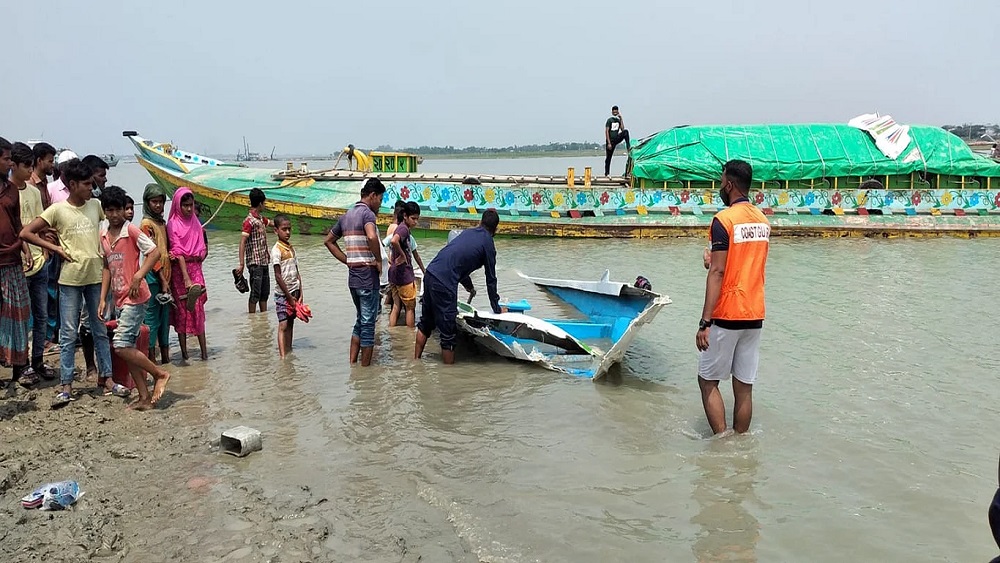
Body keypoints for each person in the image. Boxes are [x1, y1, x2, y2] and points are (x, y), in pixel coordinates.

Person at [21, 158, 117, 406]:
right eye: (86, 184)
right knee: (67, 333)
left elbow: (114, 222)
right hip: (70, 280)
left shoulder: (96, 205)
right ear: (73, 184)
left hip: (96, 277)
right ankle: (66, 385)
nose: (91, 188)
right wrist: (54, 248)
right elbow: (26, 232)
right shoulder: (57, 210)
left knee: (100, 330)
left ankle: (106, 378)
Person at [695, 159, 770, 435]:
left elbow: (718, 271)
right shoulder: (763, 221)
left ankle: (723, 442)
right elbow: (745, 261)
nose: (720, 185)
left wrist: (704, 323)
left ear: (730, 184)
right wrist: (713, 260)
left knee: (707, 382)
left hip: (727, 314)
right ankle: (741, 445)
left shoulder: (723, 220)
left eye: (721, 179)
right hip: (754, 314)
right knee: (744, 387)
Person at [97, 186, 170, 410]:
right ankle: (145, 399)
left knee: (120, 346)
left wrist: (139, 275)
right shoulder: (103, 233)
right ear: (105, 211)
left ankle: (159, 373)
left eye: (117, 209)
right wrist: (102, 299)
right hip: (118, 297)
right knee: (128, 349)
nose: (114, 215)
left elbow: (154, 252)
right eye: (109, 210)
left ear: (124, 210)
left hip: (136, 297)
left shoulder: (132, 231)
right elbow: (107, 267)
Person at [414, 209, 503, 365]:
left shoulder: (468, 233)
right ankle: (449, 377)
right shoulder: (488, 243)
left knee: (426, 323)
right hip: (444, 282)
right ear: (495, 229)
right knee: (448, 333)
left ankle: (415, 362)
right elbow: (491, 279)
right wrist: (497, 308)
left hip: (430, 273)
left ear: (480, 222)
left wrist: (469, 287)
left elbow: (457, 263)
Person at [325, 178, 385, 366]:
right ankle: (365, 371)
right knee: (368, 325)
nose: (380, 205)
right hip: (367, 277)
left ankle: (353, 365)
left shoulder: (346, 216)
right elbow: (371, 235)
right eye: (380, 200)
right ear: (372, 195)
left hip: (353, 278)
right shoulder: (367, 215)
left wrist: (348, 260)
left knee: (361, 320)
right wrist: (376, 259)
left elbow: (329, 241)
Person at [11, 143, 52, 385]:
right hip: (16, 263)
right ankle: (20, 364)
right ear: (14, 166)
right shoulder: (7, 192)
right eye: (25, 166)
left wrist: (45, 250)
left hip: (39, 260)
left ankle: (37, 360)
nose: (29, 171)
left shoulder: (34, 193)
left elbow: (41, 223)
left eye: (30, 165)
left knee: (42, 315)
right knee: (20, 318)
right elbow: (16, 229)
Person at [0, 138, 32, 391]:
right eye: (6, 159)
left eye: (11, 159)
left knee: (18, 315)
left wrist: (25, 247)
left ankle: (19, 368)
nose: (10, 163)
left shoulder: (11, 190)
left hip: (11, 260)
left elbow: (18, 223)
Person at [167, 188, 209, 361]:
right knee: (182, 312)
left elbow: (202, 249)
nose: (189, 209)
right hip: (179, 271)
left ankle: (204, 353)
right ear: (178, 205)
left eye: (191, 205)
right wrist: (185, 277)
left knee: (198, 308)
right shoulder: (172, 224)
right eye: (185, 206)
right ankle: (184, 353)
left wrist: (200, 254)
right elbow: (177, 251)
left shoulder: (196, 223)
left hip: (196, 267)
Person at [139, 184, 173, 364]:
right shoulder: (146, 224)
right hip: (153, 275)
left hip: (166, 274)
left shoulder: (161, 222)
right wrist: (161, 278)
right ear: (147, 202)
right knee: (152, 318)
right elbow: (150, 254)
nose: (158, 206)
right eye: (154, 202)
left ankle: (166, 360)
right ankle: (151, 360)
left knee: (165, 317)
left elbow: (164, 248)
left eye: (160, 202)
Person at [270, 214, 302, 359]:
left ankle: (289, 351)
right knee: (283, 325)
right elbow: (278, 276)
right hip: (283, 294)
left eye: (289, 229)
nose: (287, 232)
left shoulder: (291, 248)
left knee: (290, 323)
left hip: (294, 290)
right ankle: (283, 356)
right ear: (276, 231)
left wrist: (301, 293)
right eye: (284, 229)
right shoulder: (276, 250)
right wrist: (288, 297)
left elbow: (297, 271)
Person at [236, 187, 270, 313]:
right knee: (255, 294)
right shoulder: (249, 221)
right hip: (255, 263)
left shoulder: (261, 219)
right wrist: (241, 263)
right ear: (260, 203)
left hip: (264, 261)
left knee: (264, 294)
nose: (265, 205)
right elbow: (242, 242)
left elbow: (271, 223)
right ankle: (252, 318)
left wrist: (283, 224)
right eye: (264, 203)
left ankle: (263, 318)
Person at [388, 202, 421, 328]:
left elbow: (391, 243)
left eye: (417, 219)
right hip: (403, 274)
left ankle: (392, 332)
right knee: (410, 308)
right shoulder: (403, 229)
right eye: (413, 218)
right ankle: (410, 337)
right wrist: (402, 255)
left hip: (394, 273)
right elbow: (393, 241)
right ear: (405, 216)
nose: (415, 222)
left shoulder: (400, 228)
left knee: (396, 305)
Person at [604, 105, 631, 176]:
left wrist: (621, 118)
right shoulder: (609, 120)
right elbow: (606, 131)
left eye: (616, 112)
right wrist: (609, 143)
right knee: (608, 158)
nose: (615, 113)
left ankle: (628, 148)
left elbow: (622, 129)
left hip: (616, 139)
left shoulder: (618, 120)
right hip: (610, 141)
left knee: (626, 132)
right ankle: (607, 173)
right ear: (612, 112)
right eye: (614, 112)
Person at [31, 142, 56, 209]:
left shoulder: (44, 182)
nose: (53, 165)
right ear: (39, 161)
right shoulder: (30, 183)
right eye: (50, 161)